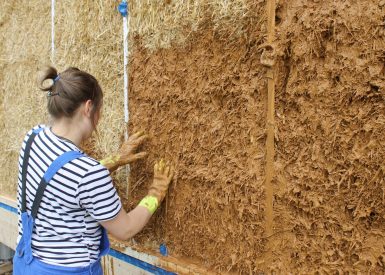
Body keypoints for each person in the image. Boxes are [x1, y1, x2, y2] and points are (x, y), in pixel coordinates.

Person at [13, 66, 173, 275]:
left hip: (26, 265)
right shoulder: (88, 174)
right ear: (88, 108)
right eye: (100, 111)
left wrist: (116, 160)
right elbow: (126, 229)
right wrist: (156, 192)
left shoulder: (32, 138)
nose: (99, 118)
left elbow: (60, 177)